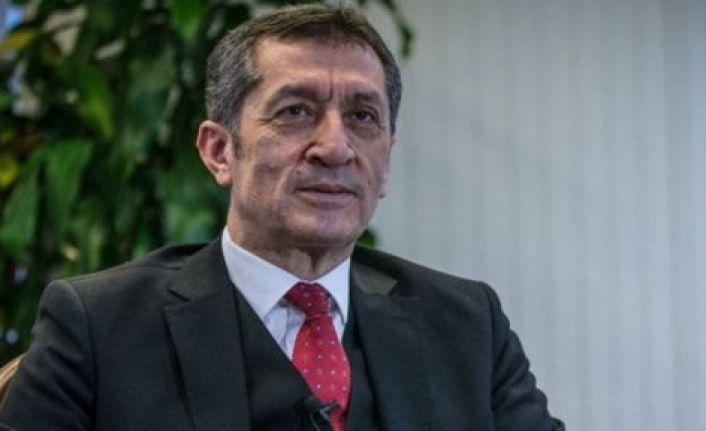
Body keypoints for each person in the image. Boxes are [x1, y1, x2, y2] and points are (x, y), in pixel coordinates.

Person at [0, 4, 563, 430]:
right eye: (296, 111)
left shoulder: (468, 325)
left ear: (386, 162)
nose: (335, 147)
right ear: (219, 151)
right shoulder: (98, 326)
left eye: (363, 117)